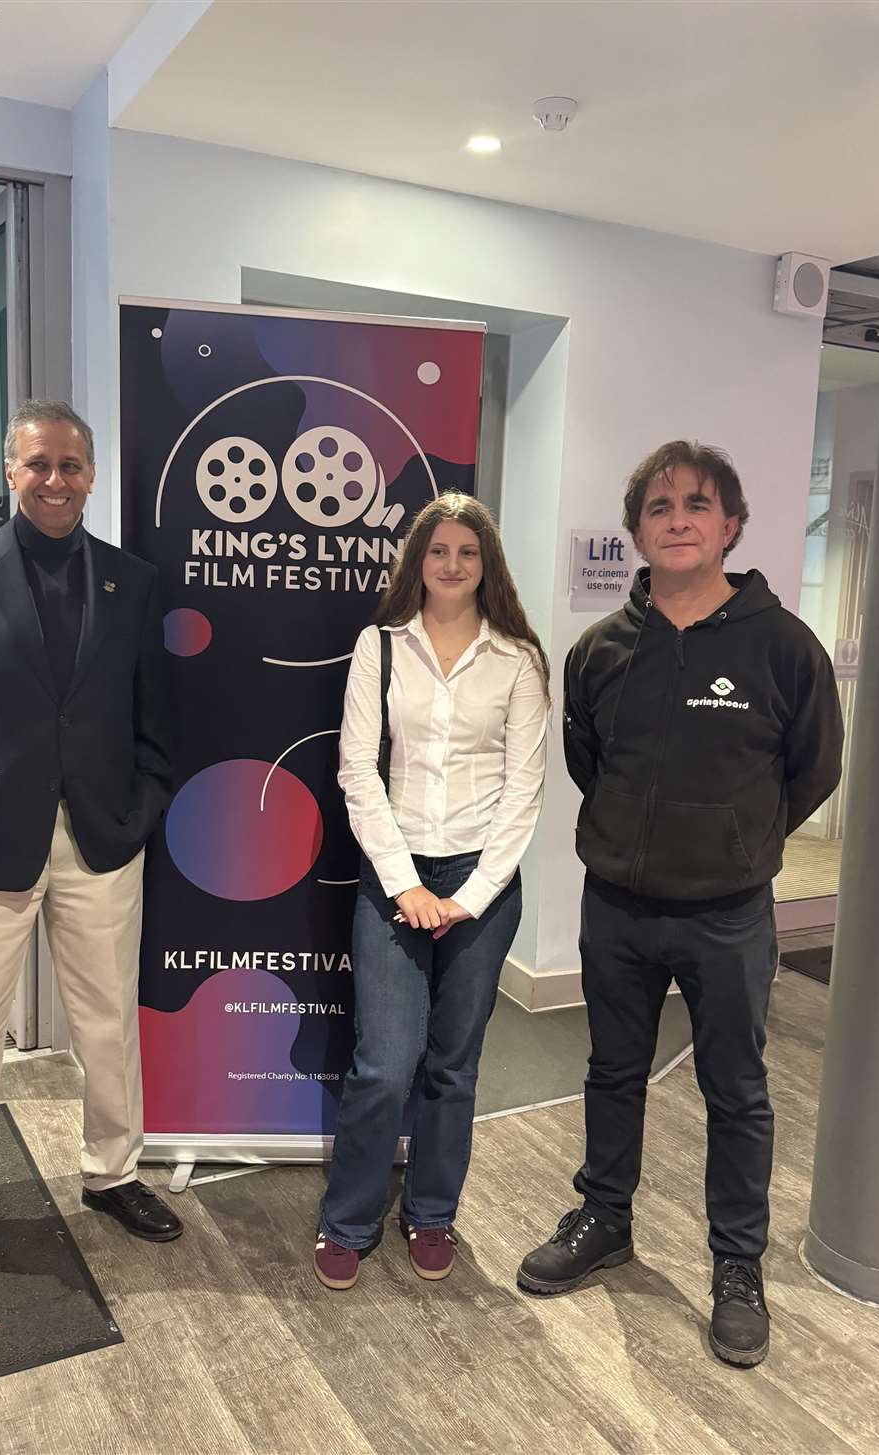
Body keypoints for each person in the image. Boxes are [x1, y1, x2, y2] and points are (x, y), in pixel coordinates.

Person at [516, 441, 843, 1367]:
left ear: (730, 525)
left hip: (729, 914)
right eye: (660, 507)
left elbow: (814, 767)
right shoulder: (602, 650)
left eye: (699, 505)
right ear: (637, 533)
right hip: (617, 904)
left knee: (735, 1092)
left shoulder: (782, 647)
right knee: (612, 1070)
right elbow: (588, 761)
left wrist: (742, 840)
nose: (679, 519)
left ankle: (738, 1265)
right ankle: (604, 1217)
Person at [0, 400, 182, 1301]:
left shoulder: (131, 581)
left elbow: (153, 718)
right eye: (39, 464)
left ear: (93, 474)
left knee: (107, 1020)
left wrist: (140, 814)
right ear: (10, 471)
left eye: (72, 465)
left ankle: (112, 1173)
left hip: (100, 840)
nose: (56, 480)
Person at [315, 493, 549, 1290]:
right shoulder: (380, 647)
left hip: (483, 880)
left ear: (488, 566)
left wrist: (472, 894)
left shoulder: (519, 659)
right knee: (385, 1063)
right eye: (439, 550)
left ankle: (432, 1213)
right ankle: (347, 1220)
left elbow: (525, 789)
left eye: (468, 553)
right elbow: (356, 770)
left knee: (454, 1065)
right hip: (396, 875)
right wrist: (406, 884)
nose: (452, 565)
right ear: (418, 559)